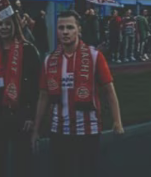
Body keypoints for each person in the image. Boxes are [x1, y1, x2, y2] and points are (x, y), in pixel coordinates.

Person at [31, 10, 123, 177]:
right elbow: (43, 97)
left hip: (88, 131)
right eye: (61, 28)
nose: (65, 32)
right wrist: (36, 130)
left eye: (70, 27)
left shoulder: (95, 57)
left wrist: (117, 122)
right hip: (59, 131)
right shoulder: (49, 60)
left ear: (79, 30)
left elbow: (109, 91)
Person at [0, 13, 41, 177]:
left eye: (7, 24)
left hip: (21, 115)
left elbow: (37, 86)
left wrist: (32, 115)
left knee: (22, 164)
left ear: (15, 26)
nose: (3, 28)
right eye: (0, 24)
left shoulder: (28, 50)